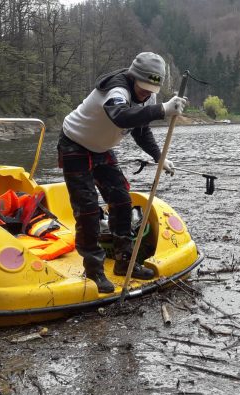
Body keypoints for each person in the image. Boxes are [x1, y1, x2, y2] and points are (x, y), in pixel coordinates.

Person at [57, 52, 187, 293]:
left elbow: (140, 131)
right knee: (86, 210)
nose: (146, 94)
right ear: (133, 76)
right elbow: (121, 117)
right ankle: (94, 271)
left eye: (151, 90)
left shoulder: (148, 96)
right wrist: (162, 110)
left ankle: (125, 262)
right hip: (74, 144)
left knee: (121, 201)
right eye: (143, 88)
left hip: (102, 149)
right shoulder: (117, 89)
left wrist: (159, 158)